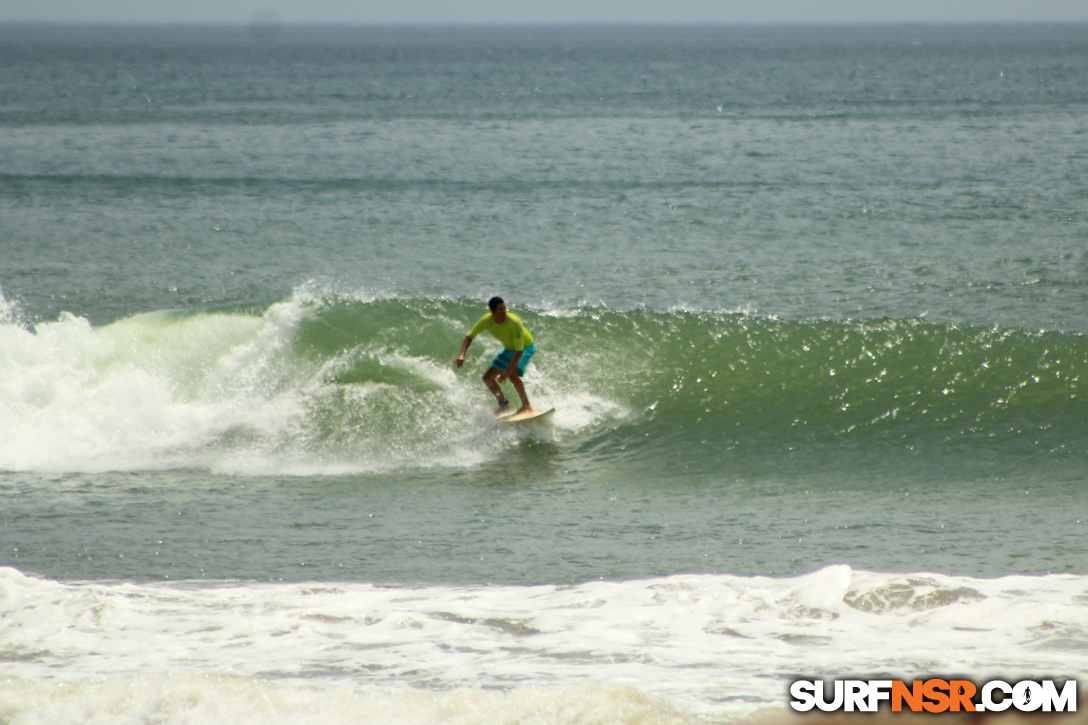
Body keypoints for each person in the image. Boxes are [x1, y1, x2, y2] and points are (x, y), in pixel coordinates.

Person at [456, 296, 536, 416]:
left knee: (512, 373)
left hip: (525, 347)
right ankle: (503, 405)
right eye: (500, 310)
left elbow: (519, 351)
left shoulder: (514, 322)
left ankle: (526, 406)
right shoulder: (487, 321)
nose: (504, 312)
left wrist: (507, 371)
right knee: (487, 377)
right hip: (510, 349)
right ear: (492, 312)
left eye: (504, 308)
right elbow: (470, 336)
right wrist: (462, 354)